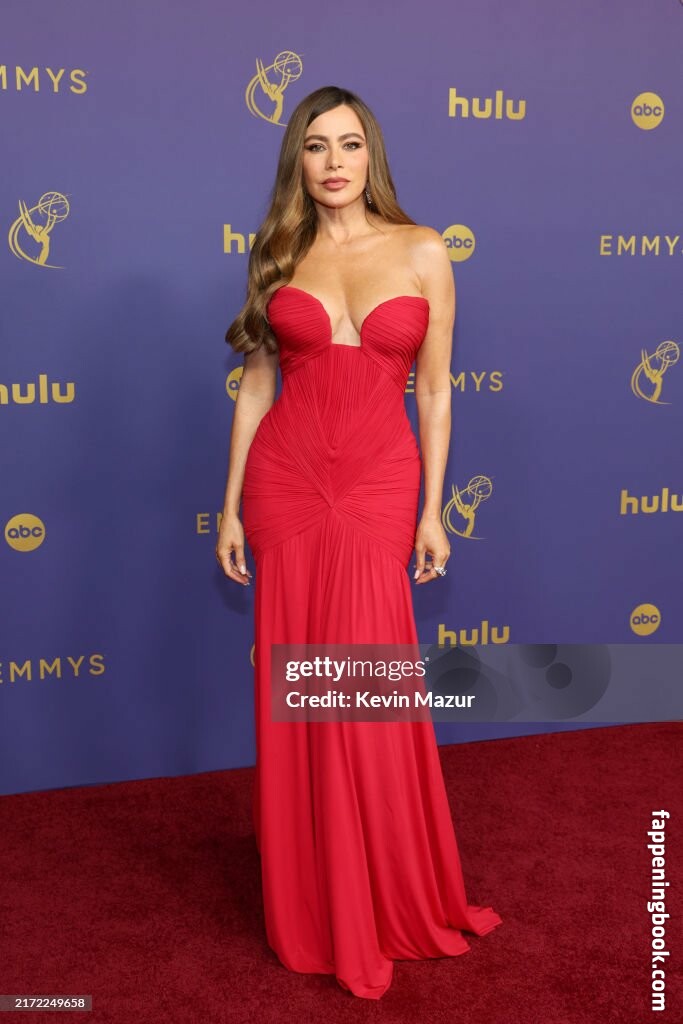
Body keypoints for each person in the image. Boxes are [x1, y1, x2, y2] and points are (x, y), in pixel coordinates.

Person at [217, 84, 502, 1000]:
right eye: (315, 146)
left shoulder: (422, 249)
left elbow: (436, 389)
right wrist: (230, 506)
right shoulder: (277, 252)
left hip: (378, 484)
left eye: (347, 143)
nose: (332, 162)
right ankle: (314, 897)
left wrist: (432, 510)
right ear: (296, 162)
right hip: (286, 485)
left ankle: (384, 888)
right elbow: (256, 387)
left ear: (370, 153)